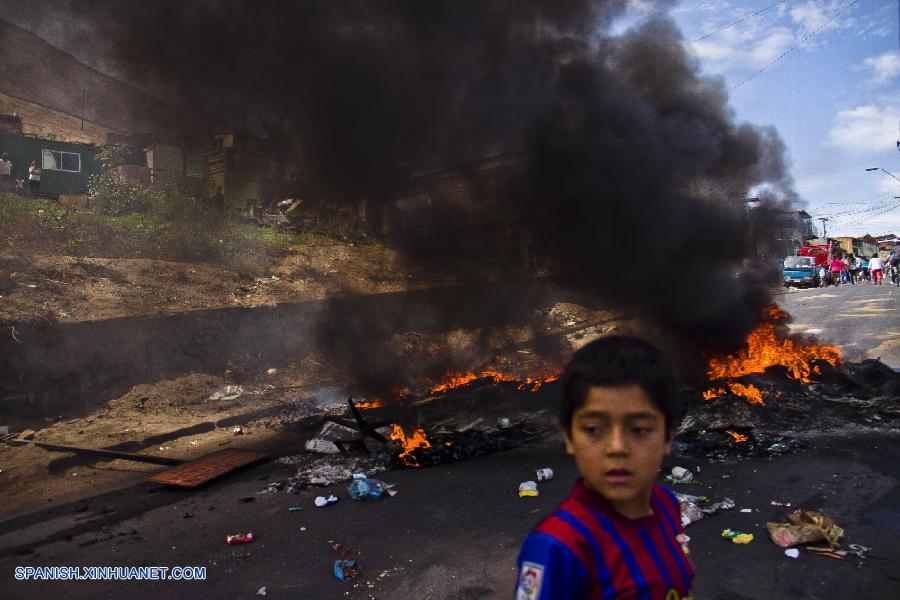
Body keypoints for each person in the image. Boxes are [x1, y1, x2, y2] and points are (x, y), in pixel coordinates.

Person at [515, 336, 693, 599]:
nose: (616, 447)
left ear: (668, 437)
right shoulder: (557, 547)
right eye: (594, 429)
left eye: (639, 429)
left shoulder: (666, 504)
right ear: (569, 438)